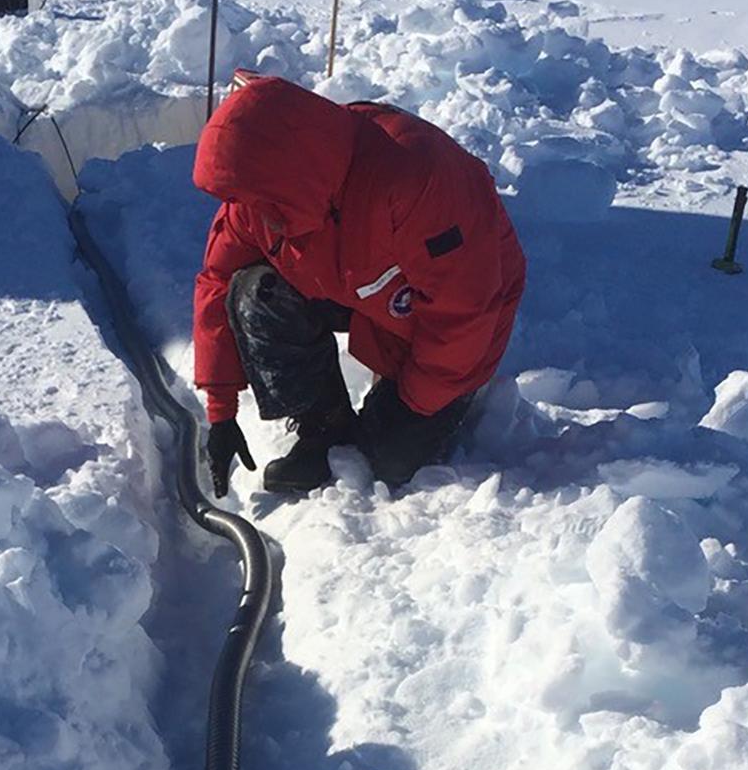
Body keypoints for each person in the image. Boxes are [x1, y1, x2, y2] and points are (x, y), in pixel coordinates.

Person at [192, 72, 526, 495]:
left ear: (295, 172)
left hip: (460, 318)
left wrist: (409, 407)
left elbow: (467, 311)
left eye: (264, 202)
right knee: (255, 293)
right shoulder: (261, 199)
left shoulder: (415, 180)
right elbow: (219, 281)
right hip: (359, 284)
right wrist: (221, 411)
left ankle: (428, 410)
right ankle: (325, 424)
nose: (255, 214)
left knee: (388, 460)